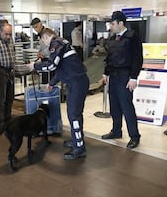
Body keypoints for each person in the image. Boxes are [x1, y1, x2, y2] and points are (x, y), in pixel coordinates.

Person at [28, 28, 89, 160]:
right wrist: (52, 83)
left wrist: (35, 66)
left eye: (43, 41)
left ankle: (79, 148)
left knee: (74, 115)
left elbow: (51, 66)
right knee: (75, 114)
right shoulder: (63, 43)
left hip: (76, 83)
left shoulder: (55, 44)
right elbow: (62, 69)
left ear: (45, 37)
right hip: (77, 81)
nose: (45, 45)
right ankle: (76, 140)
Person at [99, 11, 143, 149]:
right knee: (115, 106)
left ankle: (134, 136)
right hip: (114, 76)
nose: (111, 26)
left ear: (121, 23)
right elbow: (109, 58)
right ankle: (116, 131)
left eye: (112, 23)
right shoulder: (112, 39)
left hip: (126, 76)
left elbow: (138, 58)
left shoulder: (132, 37)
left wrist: (134, 77)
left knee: (127, 107)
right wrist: (106, 73)